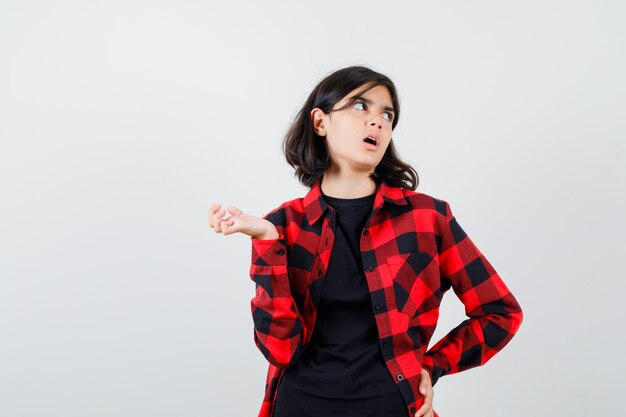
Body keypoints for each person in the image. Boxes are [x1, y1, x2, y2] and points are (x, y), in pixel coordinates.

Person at [208, 66, 523, 417]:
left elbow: (500, 313)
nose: (376, 122)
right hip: (300, 406)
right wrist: (267, 240)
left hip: (392, 407)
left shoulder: (428, 219)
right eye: (360, 107)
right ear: (320, 122)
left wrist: (432, 366)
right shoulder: (283, 224)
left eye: (386, 114)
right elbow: (280, 350)